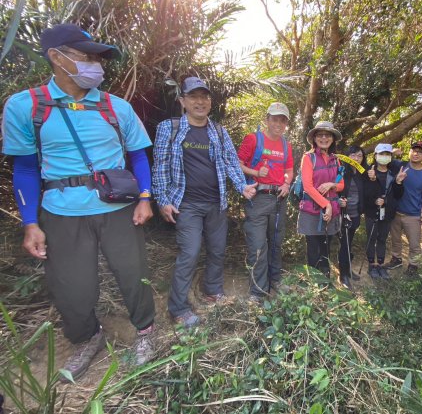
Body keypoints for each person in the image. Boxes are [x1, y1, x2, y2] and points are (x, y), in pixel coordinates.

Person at [2, 23, 156, 380]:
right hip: (62, 212)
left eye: (98, 58)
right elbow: (24, 168)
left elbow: (138, 156)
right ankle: (88, 337)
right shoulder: (26, 106)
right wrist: (30, 222)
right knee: (72, 285)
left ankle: (146, 331)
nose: (95, 65)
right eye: (86, 56)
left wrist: (144, 197)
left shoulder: (116, 107)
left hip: (118, 208)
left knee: (133, 275)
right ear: (56, 57)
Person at [152, 77, 257, 327]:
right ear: (183, 101)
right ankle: (178, 308)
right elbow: (160, 166)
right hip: (186, 203)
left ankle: (212, 290)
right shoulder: (170, 127)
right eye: (193, 97)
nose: (200, 102)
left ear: (210, 101)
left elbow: (232, 162)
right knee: (190, 252)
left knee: (218, 249)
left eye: (204, 97)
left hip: (216, 202)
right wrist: (162, 200)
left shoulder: (218, 132)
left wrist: (242, 185)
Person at [237, 103, 294, 303]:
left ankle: (275, 280)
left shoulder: (287, 145)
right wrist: (255, 173)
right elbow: (237, 164)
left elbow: (289, 170)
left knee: (276, 243)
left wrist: (287, 184)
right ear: (267, 119)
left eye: (282, 120)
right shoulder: (253, 139)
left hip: (279, 199)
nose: (278, 123)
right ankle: (257, 291)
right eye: (275, 119)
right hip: (258, 199)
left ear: (286, 123)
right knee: (258, 245)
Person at [297, 121, 345, 280]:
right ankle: (313, 283)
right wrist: (327, 205)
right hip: (312, 211)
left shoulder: (335, 159)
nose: (324, 138)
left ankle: (325, 281)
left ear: (332, 139)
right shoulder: (308, 157)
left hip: (331, 212)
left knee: (326, 248)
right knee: (313, 249)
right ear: (314, 138)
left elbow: (341, 184)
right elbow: (308, 187)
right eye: (320, 135)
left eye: (328, 135)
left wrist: (332, 184)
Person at [380, 141, 422, 274]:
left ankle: (413, 265)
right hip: (395, 212)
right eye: (414, 150)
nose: (416, 154)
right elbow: (381, 163)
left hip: (413, 215)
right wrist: (392, 153)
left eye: (420, 152)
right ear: (409, 152)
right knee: (395, 239)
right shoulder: (400, 165)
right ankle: (396, 259)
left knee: (415, 244)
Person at [363, 144, 406, 279]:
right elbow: (364, 194)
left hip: (387, 213)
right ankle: (372, 265)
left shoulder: (393, 173)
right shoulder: (369, 172)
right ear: (375, 156)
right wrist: (374, 200)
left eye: (387, 154)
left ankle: (380, 265)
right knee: (371, 238)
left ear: (390, 157)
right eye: (382, 154)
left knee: (382, 238)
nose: (384, 157)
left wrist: (398, 182)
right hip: (371, 212)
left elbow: (397, 195)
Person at [337, 146, 367, 289]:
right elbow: (334, 192)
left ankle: (347, 269)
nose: (356, 158)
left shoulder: (363, 174)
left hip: (355, 214)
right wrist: (339, 201)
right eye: (353, 155)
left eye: (359, 156)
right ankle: (342, 275)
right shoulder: (341, 172)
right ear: (347, 156)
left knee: (349, 244)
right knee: (344, 245)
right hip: (342, 215)